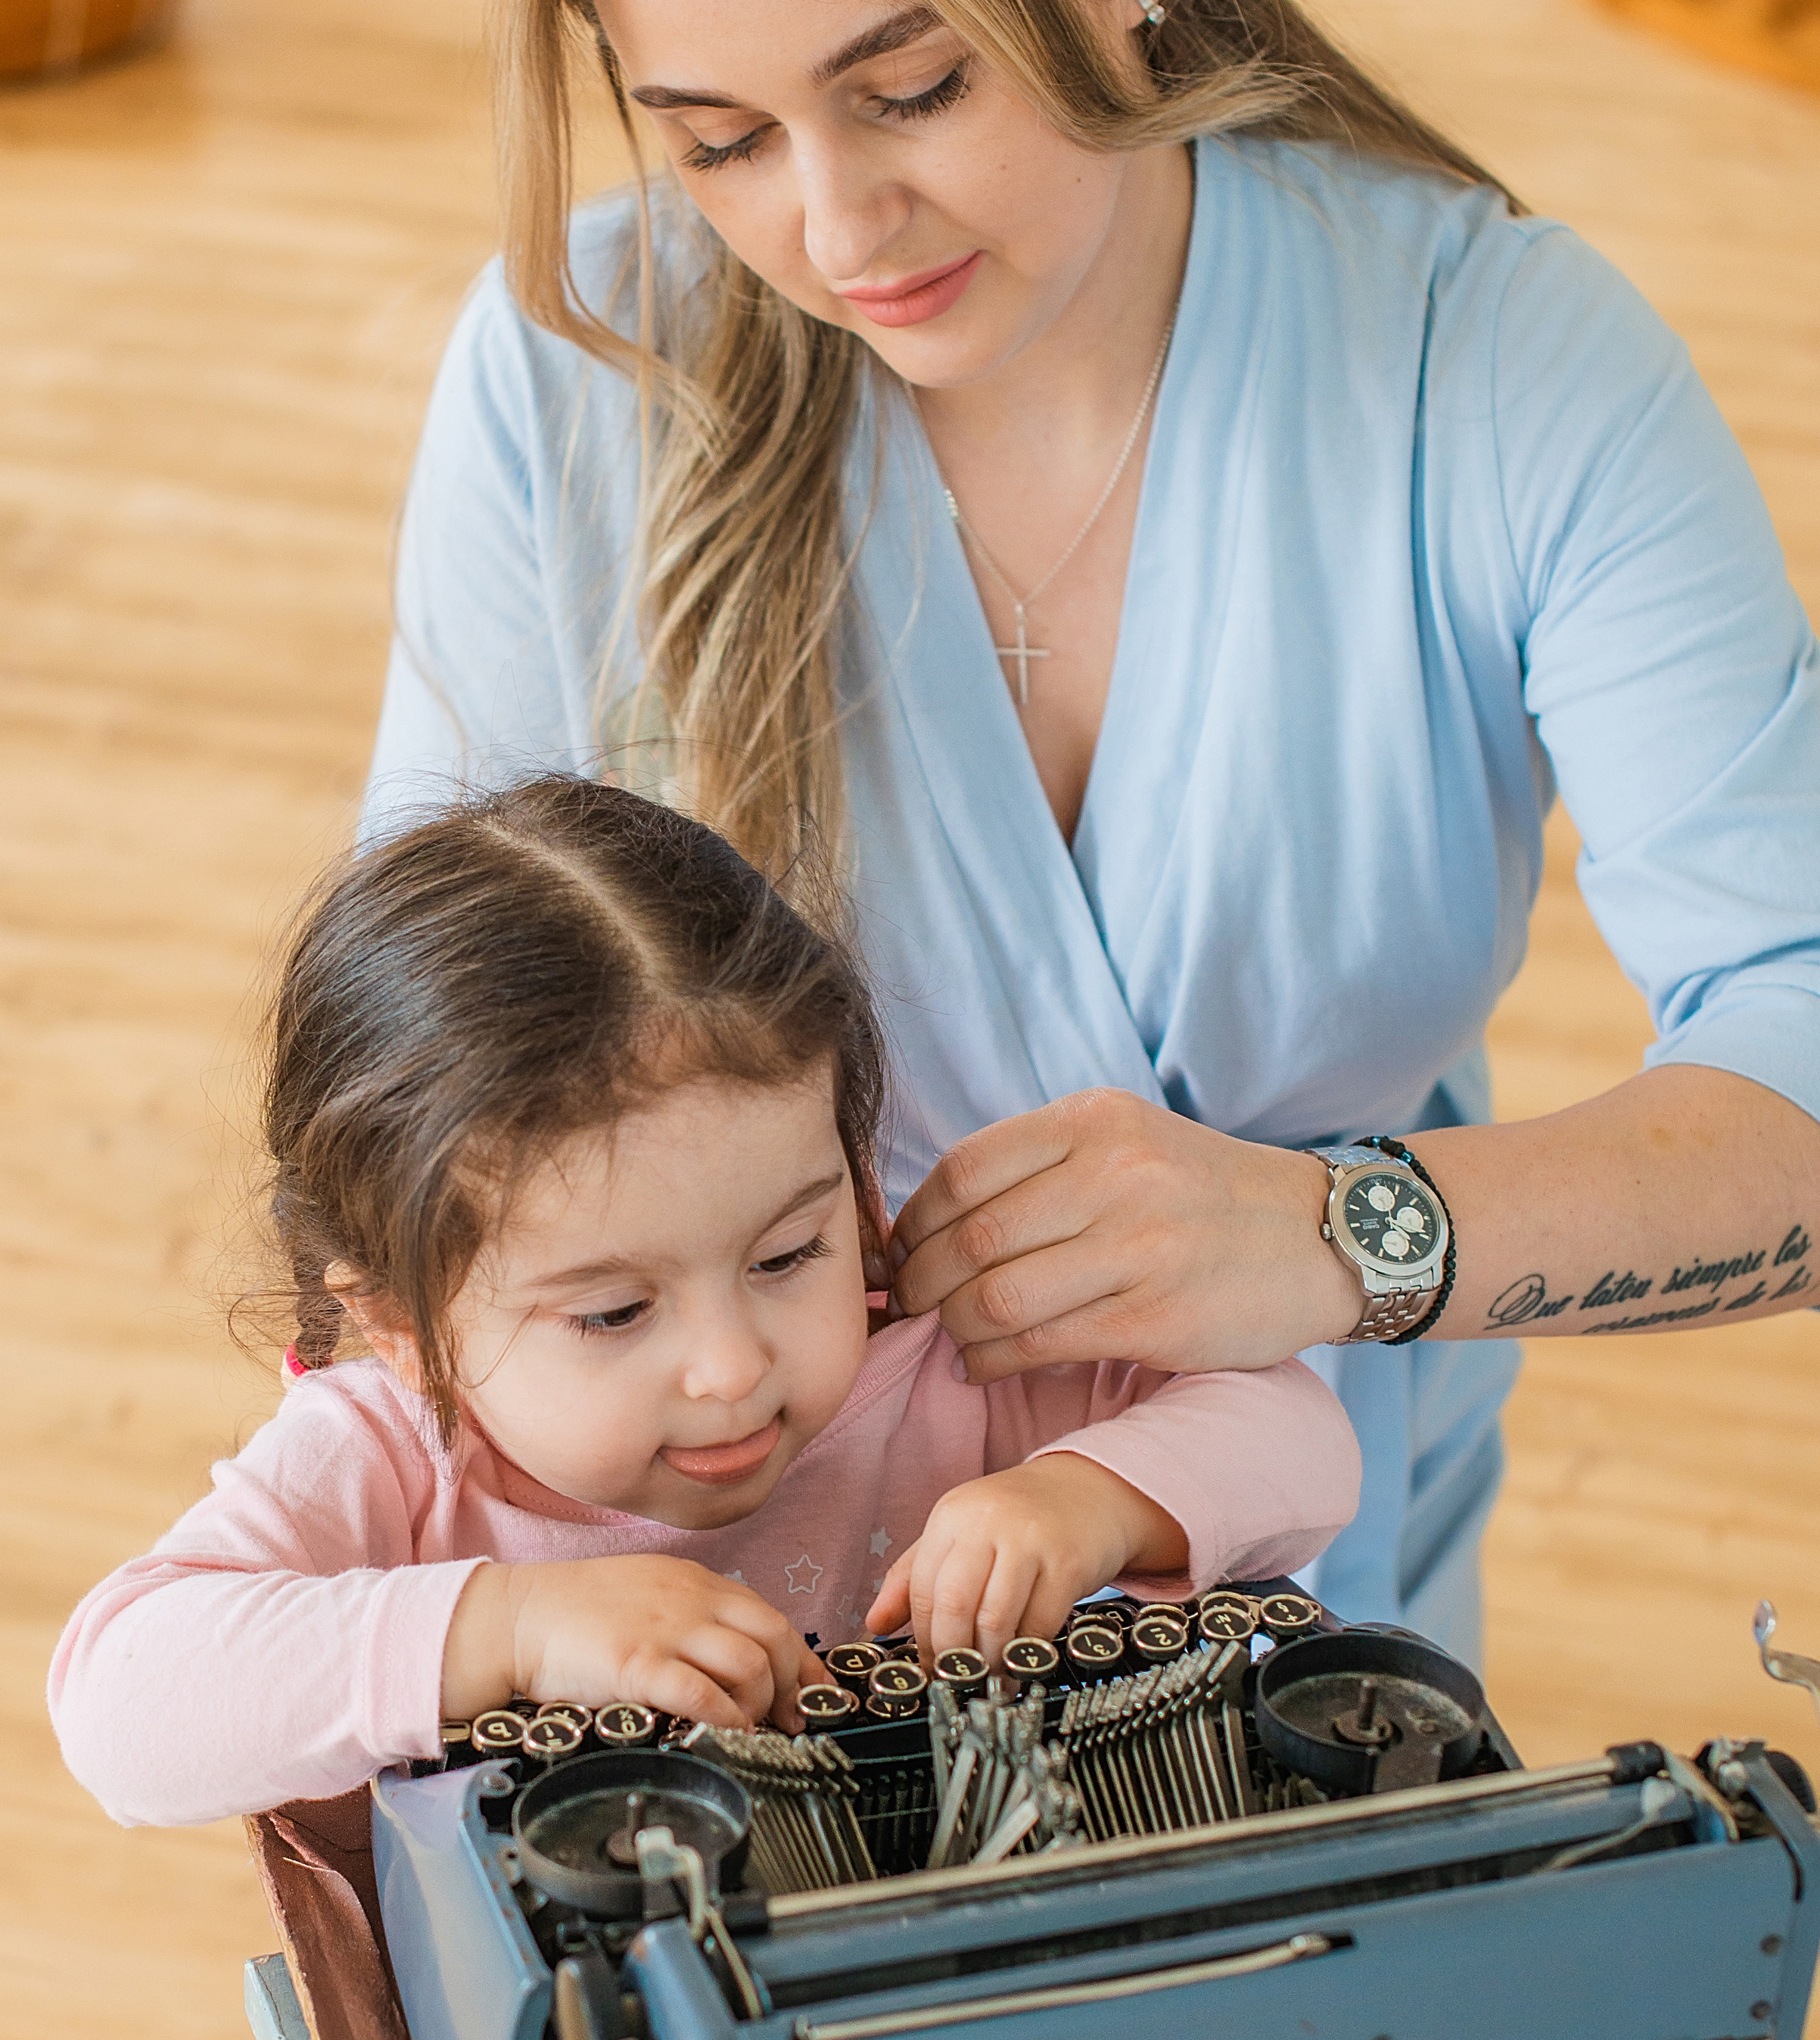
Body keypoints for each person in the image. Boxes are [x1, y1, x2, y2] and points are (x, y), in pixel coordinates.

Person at [366, 0, 1820, 1699]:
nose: (835, 225)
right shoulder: (575, 379)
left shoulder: (1494, 365)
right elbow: (421, 1090)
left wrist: (1329, 1236)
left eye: (911, 87)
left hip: (1303, 1564)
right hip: (724, 1638)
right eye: (716, 141)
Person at [49, 776, 1358, 1830]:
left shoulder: (950, 1352)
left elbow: (1302, 1439)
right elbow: (121, 1709)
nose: (732, 1370)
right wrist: (506, 1626)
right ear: (402, 1324)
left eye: (789, 1255)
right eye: (614, 1314)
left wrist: (1086, 1499)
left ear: (852, 1177)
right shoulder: (394, 1452)